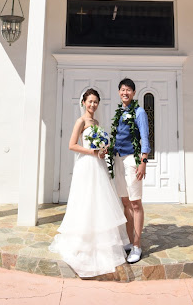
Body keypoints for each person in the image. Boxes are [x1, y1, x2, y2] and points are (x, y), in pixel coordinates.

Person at [49, 89, 129, 278]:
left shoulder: (97, 123)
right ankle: (83, 242)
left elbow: (98, 147)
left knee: (99, 202)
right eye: (90, 101)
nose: (93, 105)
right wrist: (92, 152)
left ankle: (100, 241)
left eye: (95, 102)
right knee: (85, 201)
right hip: (86, 166)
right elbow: (72, 145)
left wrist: (102, 150)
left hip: (98, 165)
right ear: (84, 102)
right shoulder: (81, 121)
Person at [108, 78, 150, 264]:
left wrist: (143, 162)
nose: (125, 93)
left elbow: (145, 137)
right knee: (125, 202)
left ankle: (137, 245)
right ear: (119, 92)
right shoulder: (120, 113)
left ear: (134, 93)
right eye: (122, 90)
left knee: (135, 203)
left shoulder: (139, 112)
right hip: (118, 159)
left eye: (128, 90)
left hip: (132, 159)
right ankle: (129, 241)